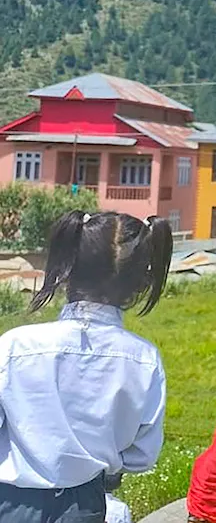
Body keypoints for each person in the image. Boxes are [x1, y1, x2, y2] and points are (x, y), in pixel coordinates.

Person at [0, 211, 172, 523]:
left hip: (10, 501)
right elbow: (142, 455)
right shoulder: (143, 360)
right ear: (139, 285)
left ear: (66, 270)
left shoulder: (14, 347)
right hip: (84, 505)